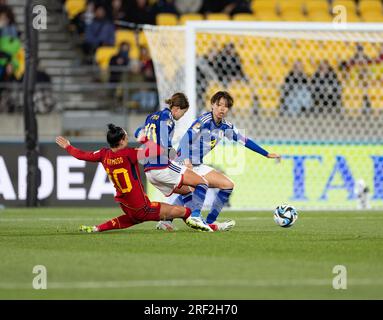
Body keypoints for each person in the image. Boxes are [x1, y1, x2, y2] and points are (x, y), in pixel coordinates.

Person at [55, 123, 212, 233]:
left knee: (132, 218)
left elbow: (82, 155)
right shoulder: (130, 154)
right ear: (121, 140)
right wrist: (144, 139)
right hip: (142, 206)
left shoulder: (103, 154)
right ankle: (211, 227)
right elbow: (157, 151)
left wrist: (68, 146)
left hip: (126, 204)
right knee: (185, 211)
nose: (128, 138)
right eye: (126, 136)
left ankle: (98, 228)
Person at [173, 91, 281, 226]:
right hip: (182, 161)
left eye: (225, 106)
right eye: (219, 105)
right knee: (194, 188)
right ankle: (190, 217)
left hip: (197, 164)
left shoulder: (226, 127)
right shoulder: (204, 121)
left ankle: (210, 221)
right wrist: (186, 160)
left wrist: (266, 154)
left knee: (227, 185)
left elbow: (244, 141)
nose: (222, 109)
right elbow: (184, 141)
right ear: (212, 105)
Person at [135, 93, 221, 232]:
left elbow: (138, 132)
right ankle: (196, 218)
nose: (182, 116)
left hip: (148, 170)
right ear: (176, 108)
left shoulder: (151, 116)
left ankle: (166, 222)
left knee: (186, 191)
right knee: (202, 183)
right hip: (160, 166)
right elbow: (164, 144)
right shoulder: (167, 118)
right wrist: (180, 158)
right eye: (183, 112)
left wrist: (143, 139)